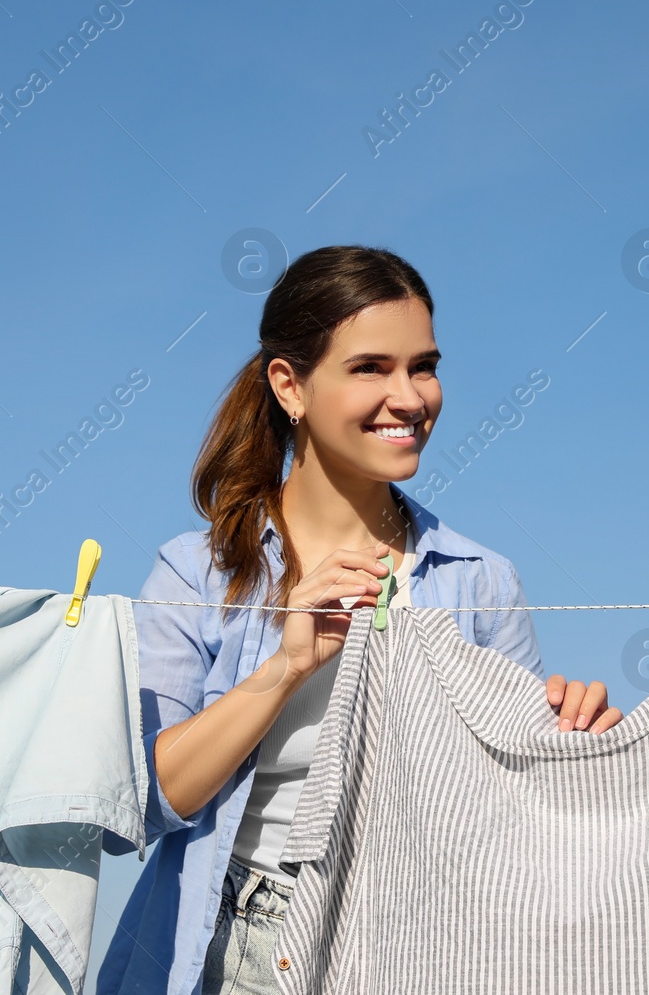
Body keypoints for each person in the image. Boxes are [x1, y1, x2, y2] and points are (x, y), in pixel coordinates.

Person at [97, 245, 622, 995]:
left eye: (424, 366)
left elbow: (515, 823)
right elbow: (146, 801)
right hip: (240, 943)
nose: (410, 397)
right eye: (371, 368)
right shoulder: (200, 571)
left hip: (421, 948)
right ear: (291, 385)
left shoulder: (480, 582)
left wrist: (575, 754)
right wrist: (285, 667)